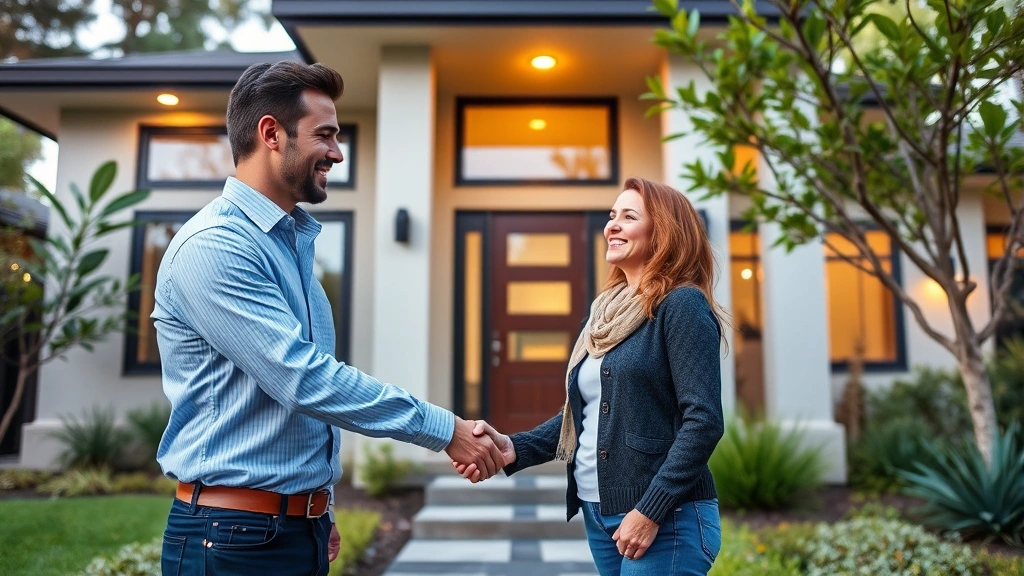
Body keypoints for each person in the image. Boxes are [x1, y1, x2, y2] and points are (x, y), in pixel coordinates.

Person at [152, 60, 505, 576]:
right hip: (229, 539)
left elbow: (301, 405)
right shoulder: (216, 247)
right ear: (271, 133)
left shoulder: (291, 247)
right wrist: (444, 428)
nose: (338, 153)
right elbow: (302, 378)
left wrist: (319, 504)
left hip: (292, 527)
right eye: (325, 135)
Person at [455, 177, 727, 576]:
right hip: (598, 513)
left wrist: (649, 511)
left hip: (666, 518)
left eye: (628, 216)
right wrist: (515, 447)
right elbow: (586, 415)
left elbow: (704, 422)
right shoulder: (605, 312)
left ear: (665, 233)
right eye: (611, 215)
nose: (611, 225)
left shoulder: (681, 304)